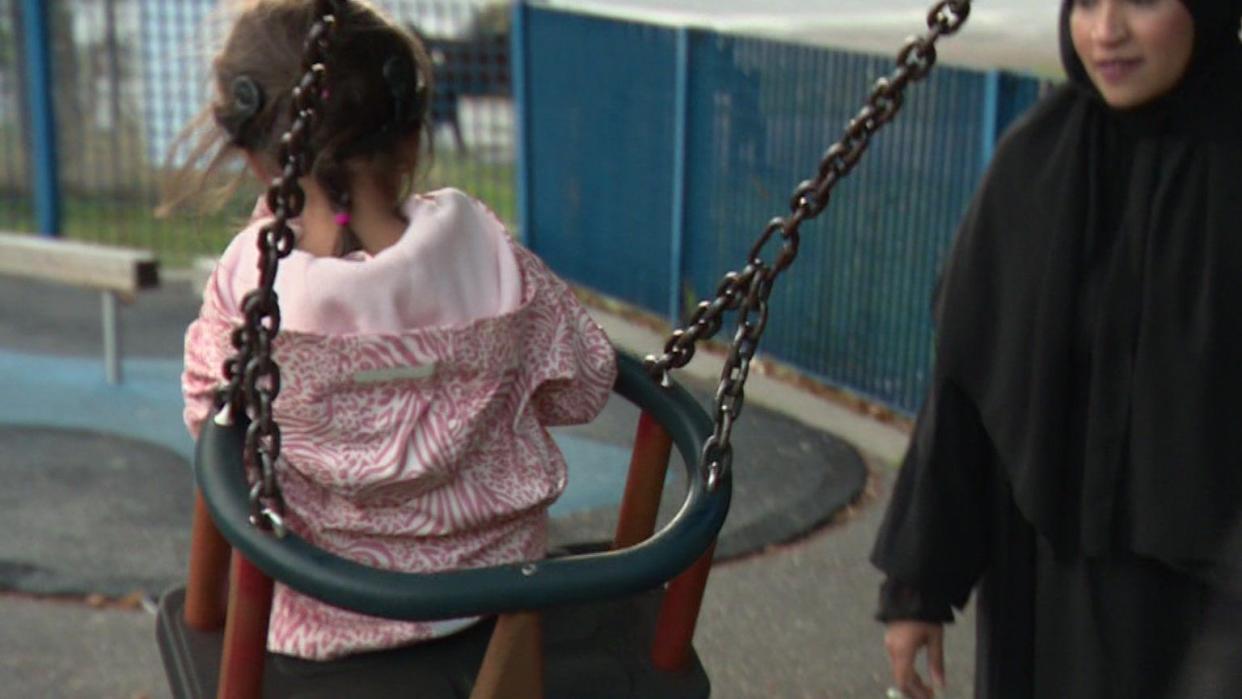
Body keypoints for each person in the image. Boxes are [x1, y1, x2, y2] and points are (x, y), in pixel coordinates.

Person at [165, 0, 617, 661]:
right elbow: (585, 387)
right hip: (496, 604)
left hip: (316, 611)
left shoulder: (252, 288)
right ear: (411, 136)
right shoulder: (488, 254)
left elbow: (211, 424)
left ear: (258, 159)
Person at [870, 0, 1242, 697]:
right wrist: (919, 586)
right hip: (1045, 597)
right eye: (1087, 3)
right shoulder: (1035, 161)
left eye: (1142, 1)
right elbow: (967, 386)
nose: (1107, 32)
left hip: (1210, 615)